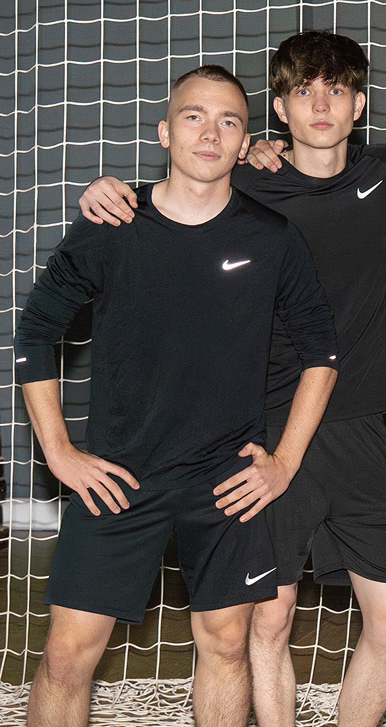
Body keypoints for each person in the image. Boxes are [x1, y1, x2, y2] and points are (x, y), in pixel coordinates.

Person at [78, 33, 386, 727]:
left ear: (359, 105)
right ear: (279, 110)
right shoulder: (248, 182)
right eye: (303, 92)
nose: (320, 105)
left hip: (359, 426)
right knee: (268, 618)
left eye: (336, 91)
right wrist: (109, 192)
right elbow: (172, 202)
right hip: (261, 429)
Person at [15, 66, 339, 727]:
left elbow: (322, 353)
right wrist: (59, 452)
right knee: (68, 656)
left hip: (225, 483)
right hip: (118, 476)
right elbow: (36, 331)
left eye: (228, 121)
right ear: (165, 132)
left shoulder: (271, 238)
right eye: (194, 116)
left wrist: (283, 463)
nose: (210, 133)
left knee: (226, 646)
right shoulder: (113, 222)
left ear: (245, 143)